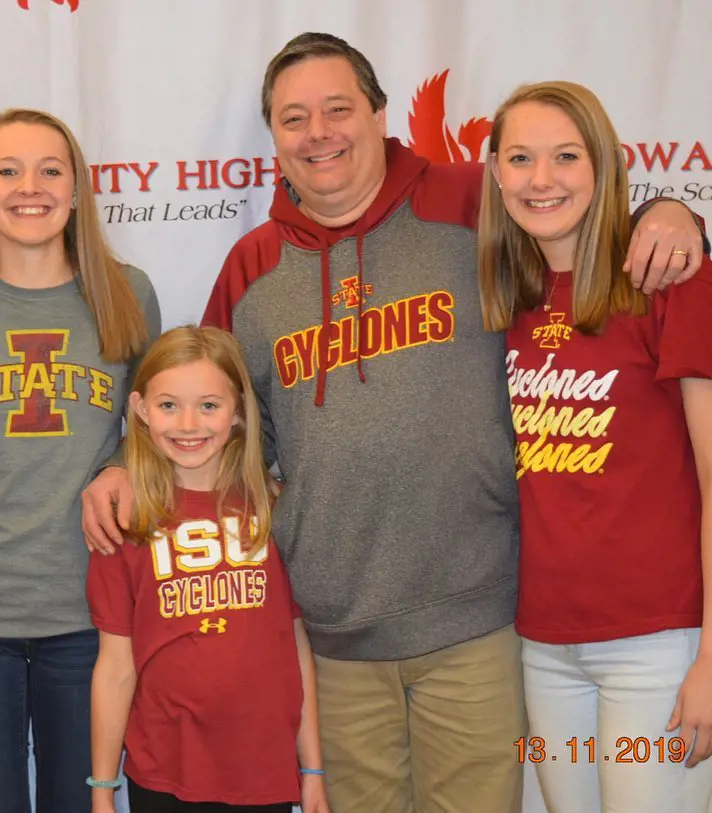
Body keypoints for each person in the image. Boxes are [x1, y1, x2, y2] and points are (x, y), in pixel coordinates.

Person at [82, 33, 707, 813]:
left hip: (481, 624)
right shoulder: (252, 265)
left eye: (339, 109)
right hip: (334, 639)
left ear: (380, 115)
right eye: (294, 117)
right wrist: (118, 463)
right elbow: (205, 408)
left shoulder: (471, 202)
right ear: (272, 137)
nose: (319, 133)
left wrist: (671, 210)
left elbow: (567, 206)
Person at [0, 107, 161, 813]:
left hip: (92, 613)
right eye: (8, 170)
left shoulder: (126, 292)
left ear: (77, 189)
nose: (31, 187)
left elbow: (156, 435)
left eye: (51, 170)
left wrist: (119, 466)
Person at [477, 80, 712, 813]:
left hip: (659, 643)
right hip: (543, 645)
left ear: (607, 163)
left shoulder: (671, 279)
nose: (541, 179)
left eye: (566, 157)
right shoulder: (506, 295)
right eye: (519, 158)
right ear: (493, 173)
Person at [87, 325, 329, 813]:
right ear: (139, 410)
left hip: (264, 772)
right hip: (164, 773)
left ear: (239, 412)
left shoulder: (275, 509)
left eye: (210, 406)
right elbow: (115, 666)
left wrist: (314, 770)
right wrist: (101, 791)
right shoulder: (126, 522)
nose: (188, 424)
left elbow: (296, 648)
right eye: (169, 405)